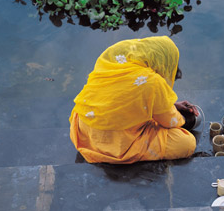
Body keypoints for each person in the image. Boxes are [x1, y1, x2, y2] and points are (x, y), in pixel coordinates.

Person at [69, 36, 198, 164]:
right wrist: (184, 118)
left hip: (85, 131)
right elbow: (170, 122)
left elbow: (119, 97)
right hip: (114, 144)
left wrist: (171, 104)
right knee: (186, 143)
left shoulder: (113, 58)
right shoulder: (151, 81)